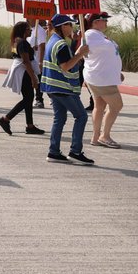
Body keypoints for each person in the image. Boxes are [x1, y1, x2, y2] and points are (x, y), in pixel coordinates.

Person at [41, 14, 93, 164]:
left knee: (60, 118)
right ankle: (75, 151)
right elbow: (66, 66)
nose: (72, 27)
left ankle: (54, 152)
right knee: (81, 116)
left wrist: (77, 55)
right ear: (63, 26)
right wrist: (80, 55)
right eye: (70, 24)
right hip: (63, 87)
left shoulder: (52, 41)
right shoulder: (61, 45)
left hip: (52, 87)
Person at [83, 12, 124, 148]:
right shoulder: (90, 34)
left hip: (103, 76)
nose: (106, 22)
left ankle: (96, 137)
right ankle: (104, 136)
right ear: (95, 22)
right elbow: (83, 51)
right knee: (117, 105)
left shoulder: (98, 35)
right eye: (104, 20)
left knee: (99, 106)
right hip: (101, 78)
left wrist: (117, 71)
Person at [0, 21, 44, 136]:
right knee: (28, 99)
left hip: (21, 71)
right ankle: (6, 119)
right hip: (24, 72)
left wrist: (32, 48)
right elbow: (26, 61)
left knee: (28, 98)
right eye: (28, 29)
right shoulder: (22, 43)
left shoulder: (18, 41)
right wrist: (33, 78)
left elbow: (22, 55)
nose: (31, 31)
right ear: (23, 30)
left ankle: (30, 125)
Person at [29, 18, 48, 108]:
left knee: (38, 81)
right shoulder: (31, 30)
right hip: (31, 61)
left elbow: (42, 46)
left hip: (37, 61)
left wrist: (40, 62)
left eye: (29, 17)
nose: (27, 19)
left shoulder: (39, 30)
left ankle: (39, 100)